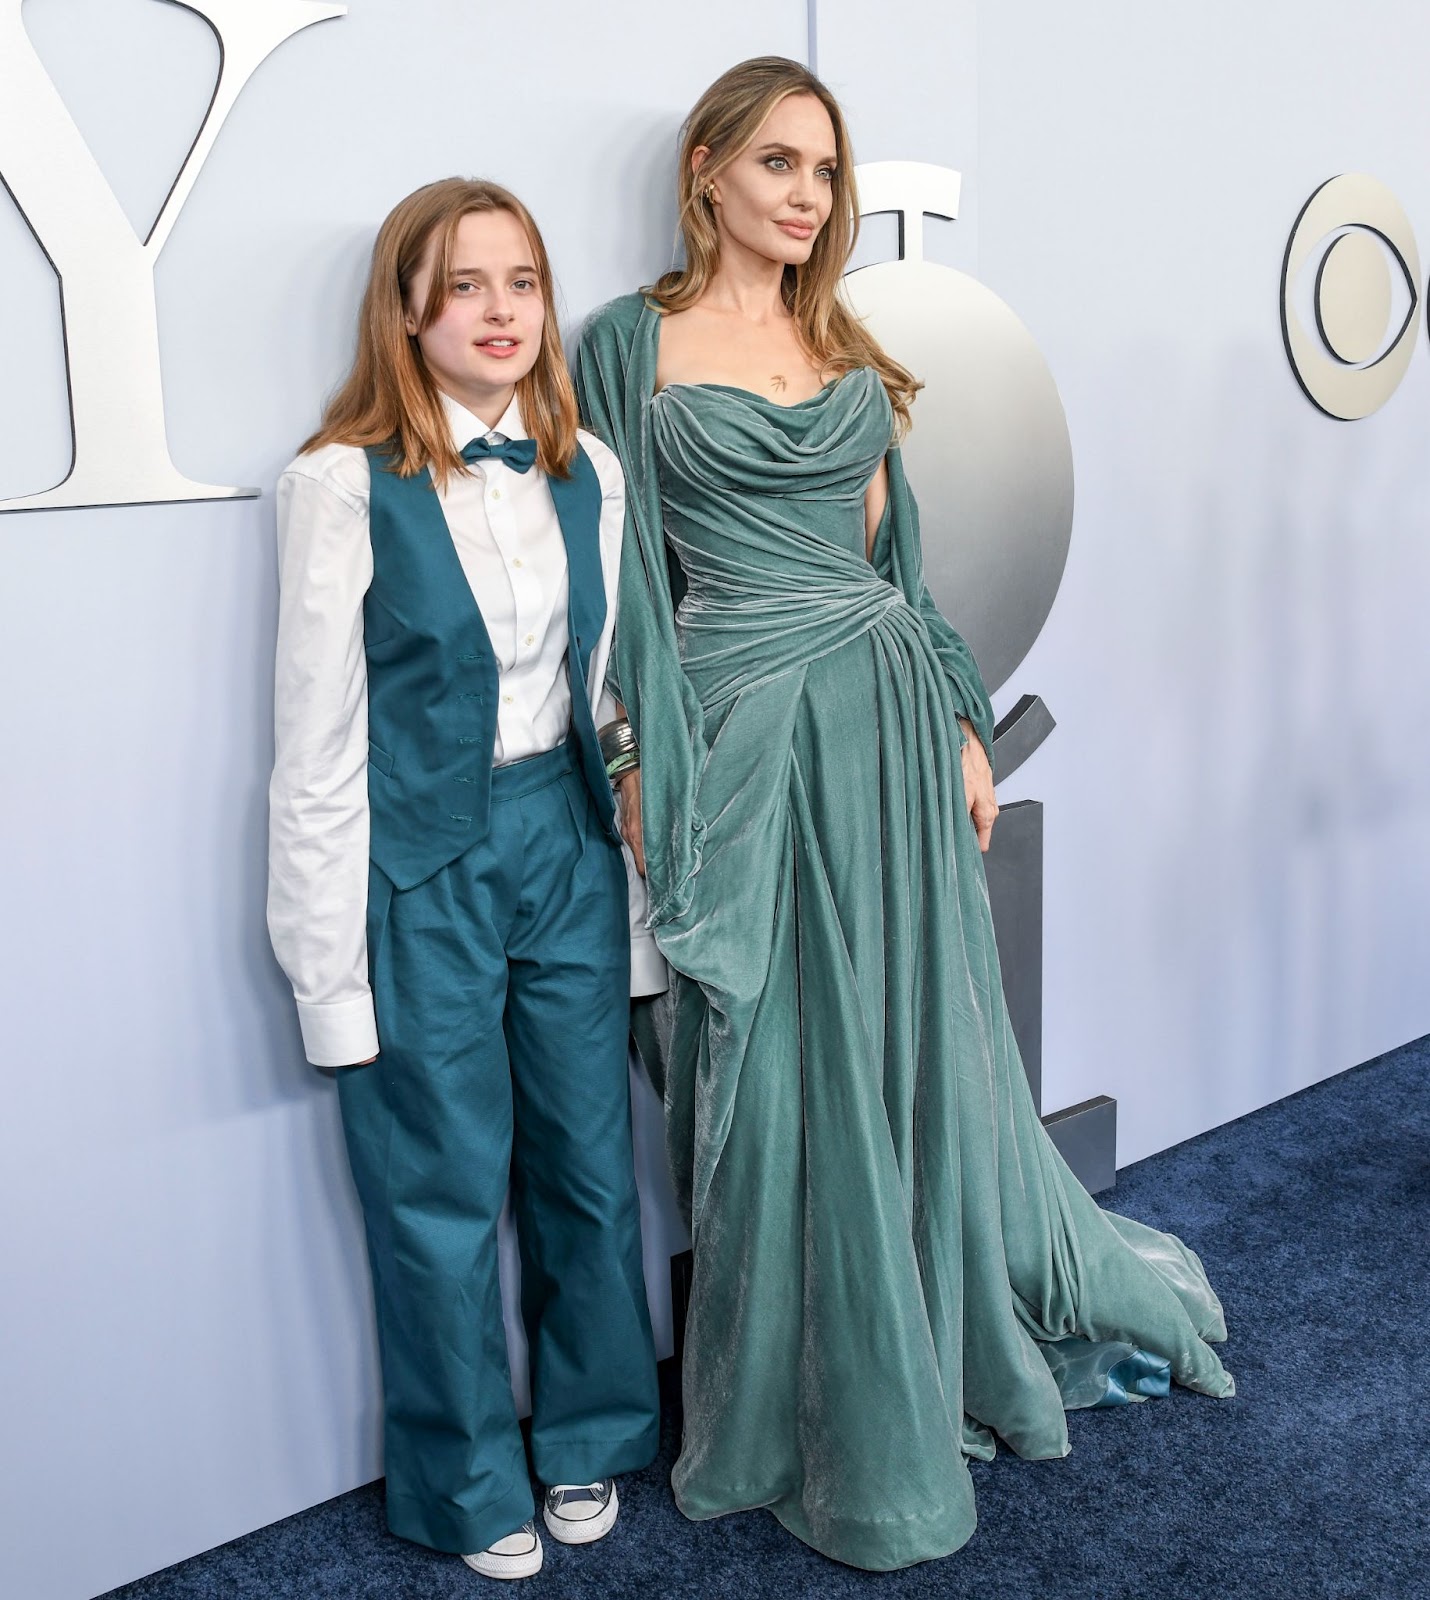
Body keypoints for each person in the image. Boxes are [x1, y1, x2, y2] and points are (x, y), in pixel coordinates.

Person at [575, 57, 1234, 1572]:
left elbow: (891, 570)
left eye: (823, 172)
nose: (805, 197)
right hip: (737, 739)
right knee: (768, 1065)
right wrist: (629, 755)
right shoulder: (627, 345)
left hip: (880, 728)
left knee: (907, 1046)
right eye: (778, 166)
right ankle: (794, 1401)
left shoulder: (845, 349)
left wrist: (958, 724)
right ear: (708, 175)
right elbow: (618, 585)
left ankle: (930, 1346)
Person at [268, 177, 661, 1582]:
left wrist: (640, 892)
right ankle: (463, 1481)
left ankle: (592, 1437)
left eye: (523, 282)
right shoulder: (336, 483)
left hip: (561, 838)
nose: (499, 312)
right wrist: (326, 975)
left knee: (587, 1165)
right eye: (463, 285)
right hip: (420, 861)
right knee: (435, 1191)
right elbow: (312, 747)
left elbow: (607, 687)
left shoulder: (588, 470)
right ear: (409, 310)